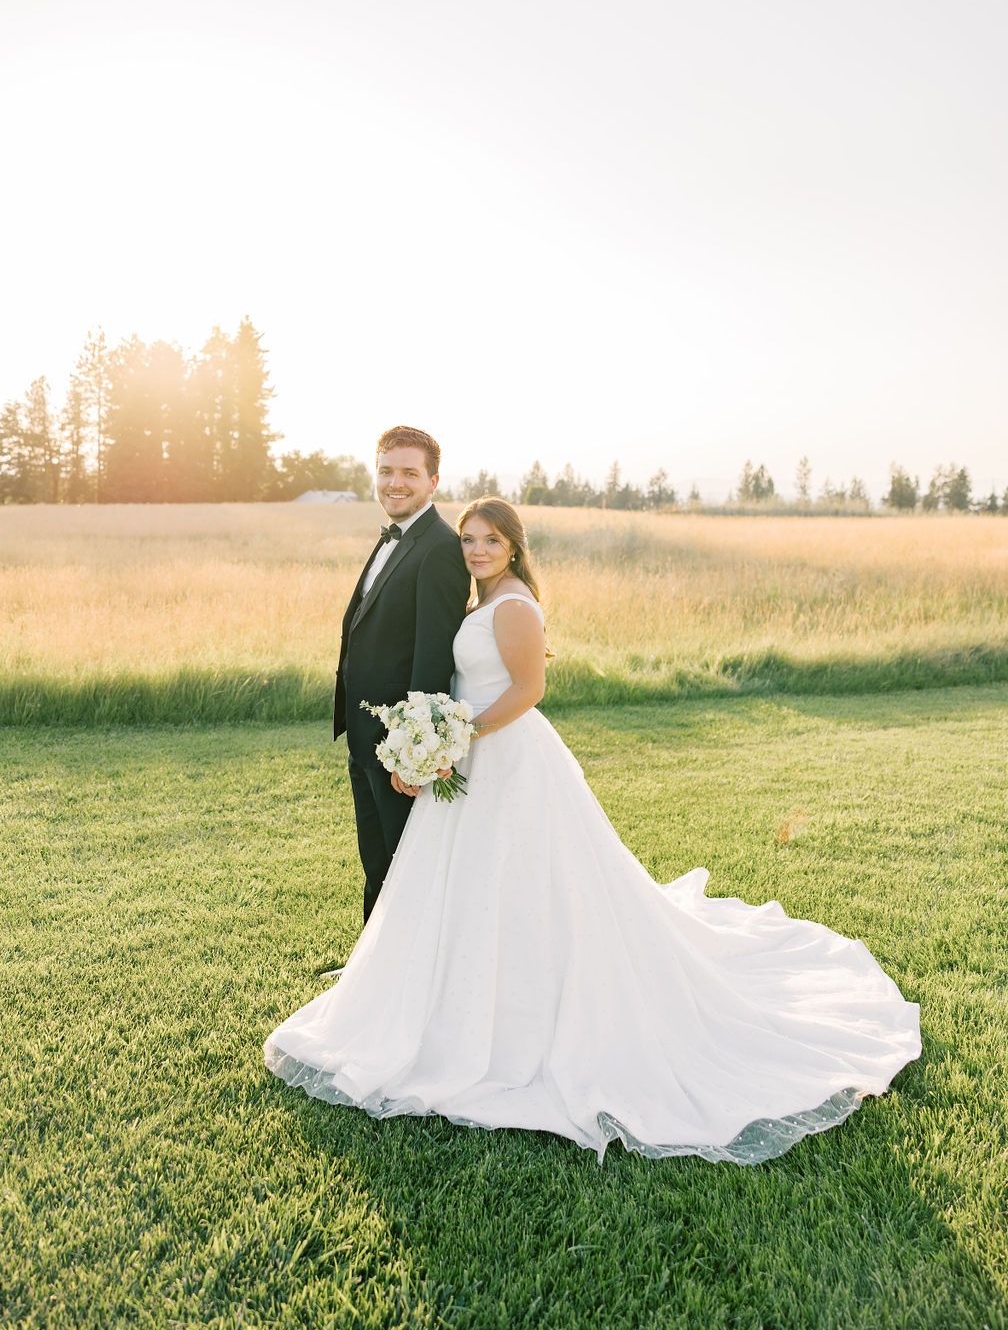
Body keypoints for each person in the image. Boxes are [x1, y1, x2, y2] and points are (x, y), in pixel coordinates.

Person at [267, 499, 920, 1163]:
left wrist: (455, 734)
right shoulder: (485, 598)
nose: (477, 550)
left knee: (525, 880)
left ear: (514, 548)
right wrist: (442, 738)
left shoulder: (515, 605)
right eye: (468, 540)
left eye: (490, 541)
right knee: (472, 883)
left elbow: (529, 689)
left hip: (509, 758)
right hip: (473, 756)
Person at [333, 426, 470, 922]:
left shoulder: (438, 549)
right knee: (377, 865)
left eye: (409, 473)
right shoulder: (394, 535)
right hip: (365, 737)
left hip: (397, 748)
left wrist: (409, 756)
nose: (396, 482)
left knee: (404, 867)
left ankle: (405, 985)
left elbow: (432, 661)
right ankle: (372, 974)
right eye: (386, 471)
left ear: (433, 481)